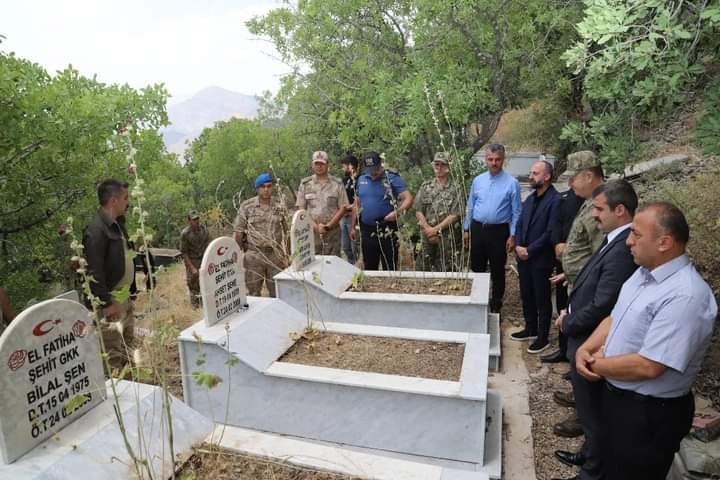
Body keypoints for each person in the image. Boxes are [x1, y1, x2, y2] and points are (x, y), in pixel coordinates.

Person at [576, 202, 717, 480]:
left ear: (664, 242)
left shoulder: (685, 296)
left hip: (648, 413)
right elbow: (614, 318)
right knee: (609, 463)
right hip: (618, 397)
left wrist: (595, 364)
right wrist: (586, 347)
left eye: (636, 235)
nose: (628, 241)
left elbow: (650, 365)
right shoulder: (643, 274)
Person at [552, 180, 639, 480]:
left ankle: (592, 471)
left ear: (620, 210)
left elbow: (604, 303)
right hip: (583, 331)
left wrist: (569, 321)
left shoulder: (623, 248)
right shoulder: (613, 239)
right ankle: (589, 454)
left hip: (589, 336)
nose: (594, 215)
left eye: (599, 209)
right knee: (589, 411)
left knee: (594, 415)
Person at [549, 151, 605, 439]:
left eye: (574, 177)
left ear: (588, 175)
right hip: (577, 285)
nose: (571, 184)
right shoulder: (588, 204)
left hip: (591, 296)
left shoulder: (600, 207)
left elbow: (600, 256)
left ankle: (586, 419)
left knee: (584, 351)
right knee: (576, 351)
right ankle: (580, 402)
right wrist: (568, 273)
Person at [82, 179, 136, 370]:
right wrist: (106, 304)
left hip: (124, 296)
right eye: (124, 198)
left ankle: (135, 389)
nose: (127, 202)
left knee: (129, 348)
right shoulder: (96, 230)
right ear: (113, 200)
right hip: (111, 302)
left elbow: (125, 256)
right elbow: (93, 272)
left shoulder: (117, 225)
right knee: (113, 355)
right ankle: (121, 395)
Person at [463, 143, 521, 313]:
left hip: (499, 231)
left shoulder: (512, 183)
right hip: (478, 229)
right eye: (490, 159)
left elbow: (516, 211)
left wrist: (513, 235)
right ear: (485, 160)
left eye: (497, 160)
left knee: (497, 269)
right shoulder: (478, 180)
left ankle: (496, 304)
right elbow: (470, 205)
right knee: (477, 266)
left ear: (503, 160)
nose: (494, 163)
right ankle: (477, 301)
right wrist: (466, 229)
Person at [510, 160, 559, 353]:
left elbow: (550, 232)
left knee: (542, 298)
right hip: (523, 256)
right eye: (531, 173)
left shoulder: (555, 200)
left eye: (535, 173)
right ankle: (530, 328)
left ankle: (542, 336)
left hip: (540, 258)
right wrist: (519, 245)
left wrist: (530, 249)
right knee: (526, 294)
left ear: (547, 176)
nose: (531, 176)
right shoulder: (530, 199)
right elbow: (521, 223)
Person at [542, 176, 583, 363]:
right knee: (561, 302)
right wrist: (558, 242)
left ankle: (574, 354)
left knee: (578, 308)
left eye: (575, 178)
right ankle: (563, 348)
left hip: (582, 265)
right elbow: (555, 223)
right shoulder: (564, 198)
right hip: (562, 259)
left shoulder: (594, 203)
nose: (571, 183)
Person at [350, 151, 413, 270]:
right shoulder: (361, 179)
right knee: (369, 265)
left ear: (380, 164)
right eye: (369, 169)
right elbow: (357, 204)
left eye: (375, 169)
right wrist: (353, 226)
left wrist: (398, 212)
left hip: (387, 228)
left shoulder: (392, 178)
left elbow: (408, 198)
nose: (373, 173)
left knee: (389, 265)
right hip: (367, 229)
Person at [234, 173, 290, 297]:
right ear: (257, 188)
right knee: (253, 294)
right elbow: (238, 232)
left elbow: (287, 233)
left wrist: (289, 256)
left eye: (269, 186)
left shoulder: (279, 206)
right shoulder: (247, 206)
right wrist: (237, 256)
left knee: (278, 292)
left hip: (275, 255)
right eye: (262, 187)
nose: (266, 190)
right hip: (254, 256)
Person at [413, 152, 464, 271]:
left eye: (443, 165)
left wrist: (435, 230)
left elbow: (455, 215)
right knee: (423, 269)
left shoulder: (456, 187)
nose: (439, 168)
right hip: (427, 237)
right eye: (437, 164)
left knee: (447, 270)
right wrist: (428, 229)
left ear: (448, 167)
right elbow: (418, 210)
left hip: (447, 238)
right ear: (433, 166)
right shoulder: (426, 186)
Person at [295, 151, 349, 256]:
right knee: (312, 267)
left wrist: (328, 226)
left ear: (328, 164)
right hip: (310, 233)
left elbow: (343, 207)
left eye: (322, 163)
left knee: (333, 265)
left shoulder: (337, 184)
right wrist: (316, 227)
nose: (319, 166)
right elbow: (301, 210)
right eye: (316, 163)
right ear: (312, 165)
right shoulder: (305, 184)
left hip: (333, 233)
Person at [180, 210, 211, 308]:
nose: (196, 221)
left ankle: (204, 303)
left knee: (205, 282)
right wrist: (192, 267)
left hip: (203, 259)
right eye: (194, 220)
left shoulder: (204, 230)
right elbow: (184, 253)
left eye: (197, 219)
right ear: (189, 221)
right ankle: (195, 306)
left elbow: (209, 245)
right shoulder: (185, 234)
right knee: (193, 284)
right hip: (192, 260)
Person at [340, 154, 360, 265]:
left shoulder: (360, 180)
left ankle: (358, 267)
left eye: (344, 166)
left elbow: (359, 200)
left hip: (354, 218)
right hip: (343, 217)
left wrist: (351, 207)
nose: (343, 168)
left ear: (351, 166)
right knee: (345, 246)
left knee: (355, 246)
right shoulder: (345, 180)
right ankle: (351, 264)